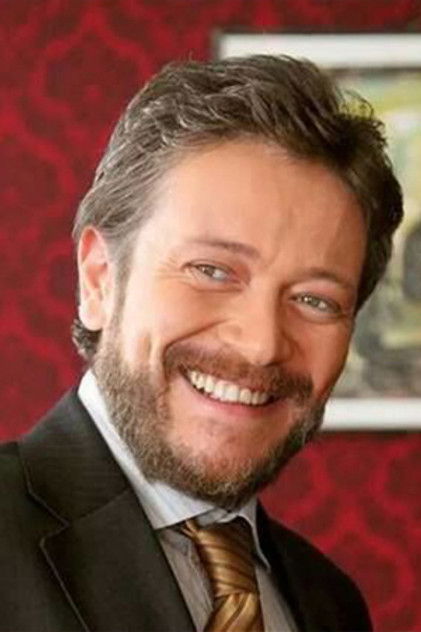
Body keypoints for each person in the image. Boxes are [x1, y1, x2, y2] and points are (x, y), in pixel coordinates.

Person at [0, 55, 403, 632]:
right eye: (212, 271)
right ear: (100, 280)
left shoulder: (330, 603)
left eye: (315, 300)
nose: (261, 344)